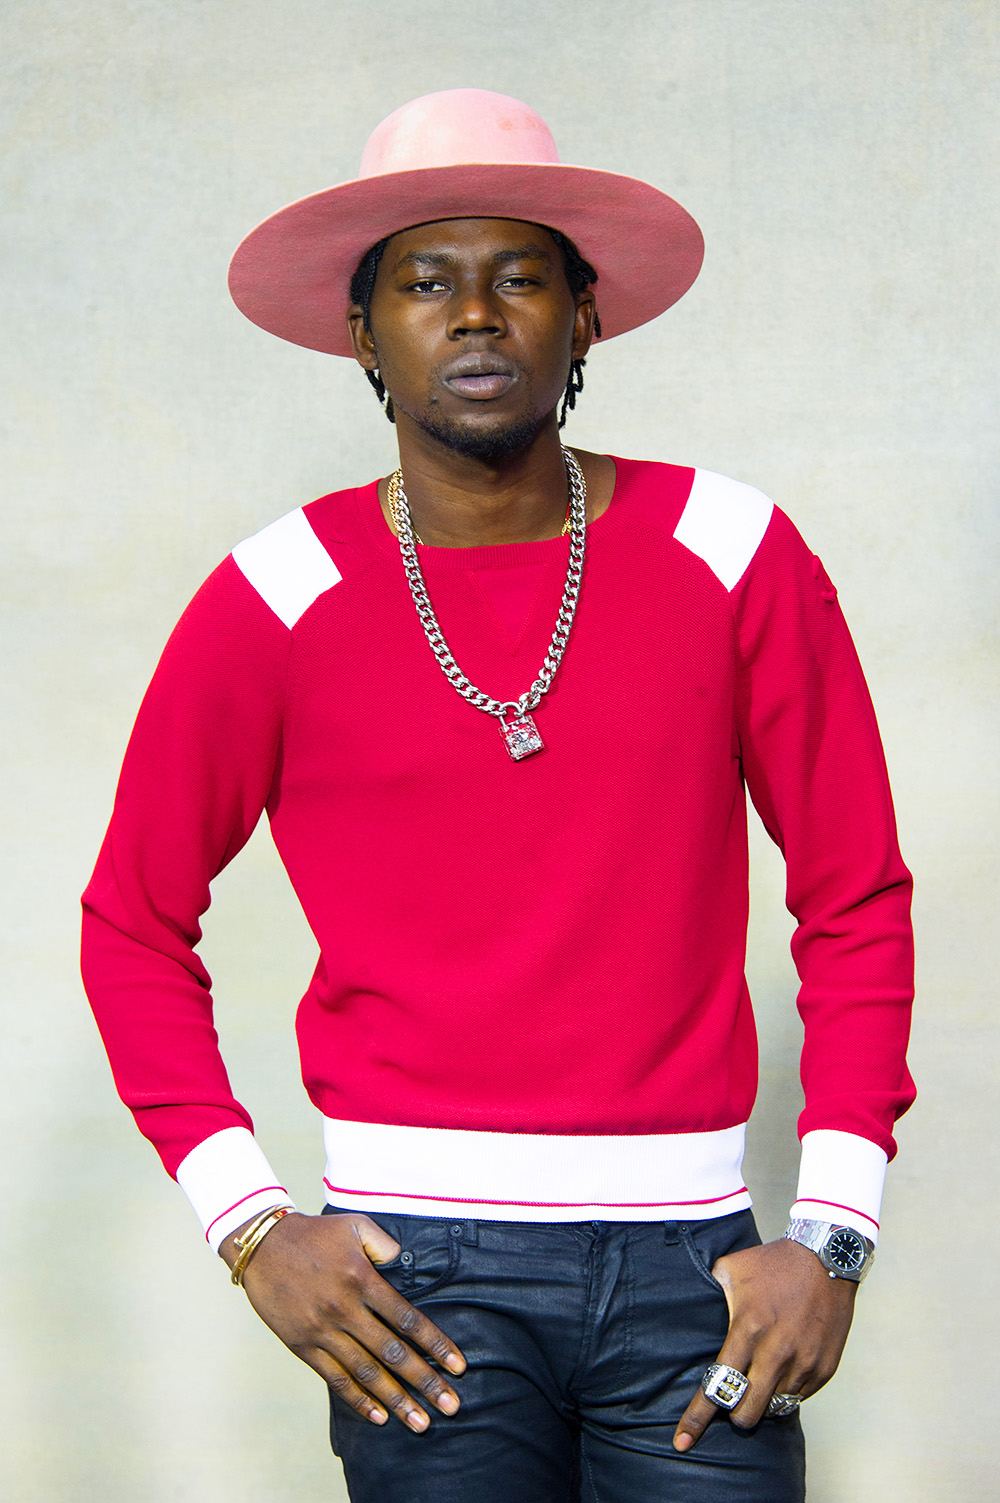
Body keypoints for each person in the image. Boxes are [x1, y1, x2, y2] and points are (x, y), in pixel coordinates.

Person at [81, 89, 915, 1501]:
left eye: (520, 278)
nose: (476, 315)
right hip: (414, 1285)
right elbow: (131, 923)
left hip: (693, 1267)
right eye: (426, 283)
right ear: (365, 335)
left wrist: (833, 1233)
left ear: (583, 319)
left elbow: (855, 897)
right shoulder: (277, 596)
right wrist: (246, 1227)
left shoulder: (734, 552)